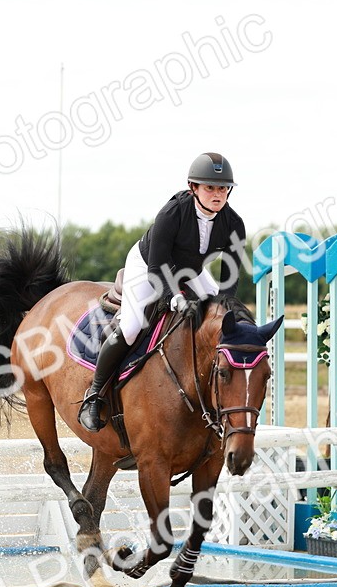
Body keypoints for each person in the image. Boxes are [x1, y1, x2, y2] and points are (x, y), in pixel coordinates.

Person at [78, 152, 247, 432]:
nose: (217, 194)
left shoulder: (234, 224)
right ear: (193, 187)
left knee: (221, 318)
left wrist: (224, 307)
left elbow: (230, 278)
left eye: (222, 188)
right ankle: (94, 395)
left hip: (191, 269)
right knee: (132, 326)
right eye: (210, 188)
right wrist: (175, 298)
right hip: (147, 265)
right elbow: (157, 266)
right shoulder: (172, 213)